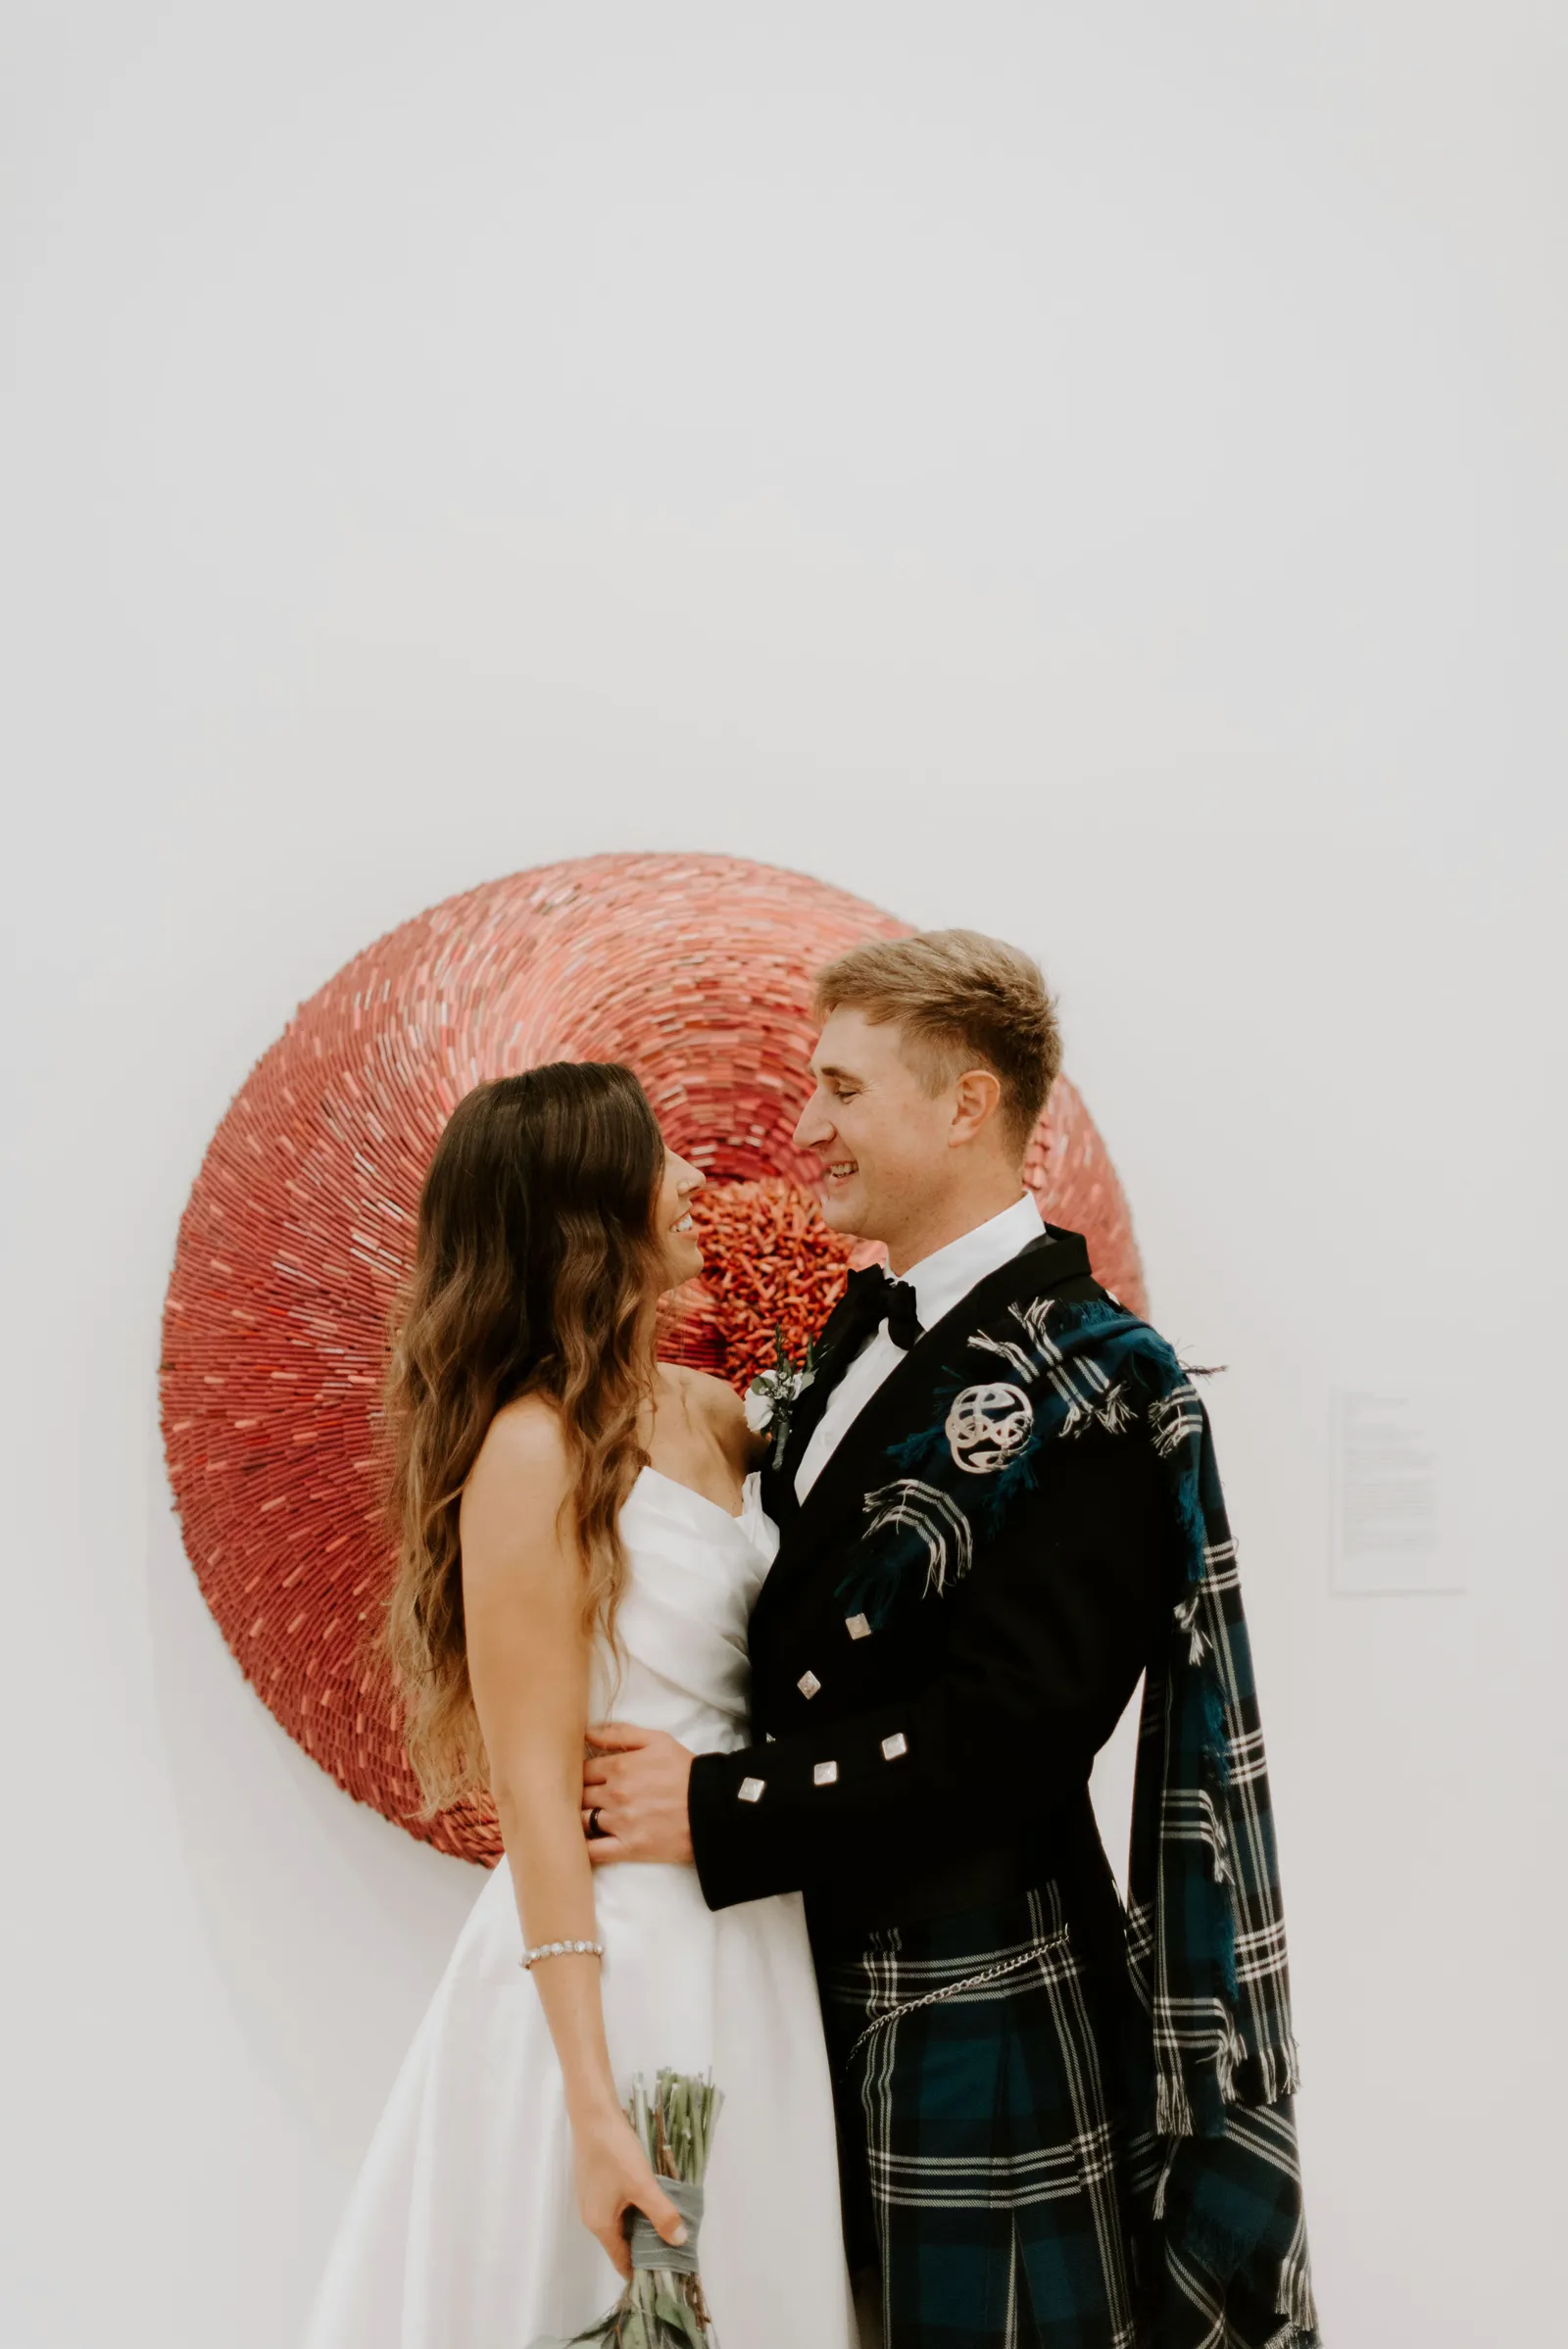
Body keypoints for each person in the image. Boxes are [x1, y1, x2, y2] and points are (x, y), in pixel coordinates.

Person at [585, 932, 1317, 2349]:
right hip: (804, 1970)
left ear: (967, 1104)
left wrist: (722, 1806)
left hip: (977, 1991)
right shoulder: (864, 1330)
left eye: (843, 1090)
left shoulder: (1099, 1375)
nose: (806, 1130)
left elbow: (1016, 1733)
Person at [303, 1062, 857, 2349]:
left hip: (753, 1918)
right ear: (587, 1214)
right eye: (660, 1161)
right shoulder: (529, 1450)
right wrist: (593, 2103)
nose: (692, 1183)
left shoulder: (711, 1414)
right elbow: (539, 1805)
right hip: (619, 1959)